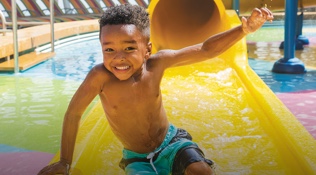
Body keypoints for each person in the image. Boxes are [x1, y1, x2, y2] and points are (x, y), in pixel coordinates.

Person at [38, 4, 273, 175]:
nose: (118, 58)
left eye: (129, 48)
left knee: (201, 171)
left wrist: (243, 30)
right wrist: (65, 161)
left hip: (172, 143)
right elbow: (74, 114)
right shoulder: (99, 77)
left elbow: (204, 49)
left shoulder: (157, 64)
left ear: (147, 49)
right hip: (136, 158)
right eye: (109, 50)